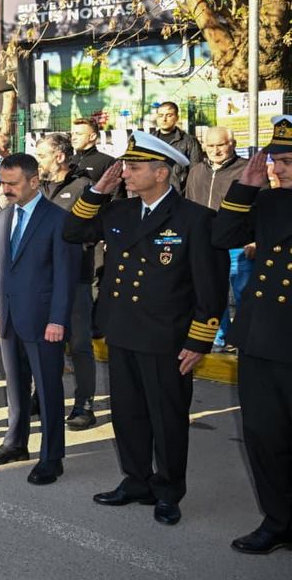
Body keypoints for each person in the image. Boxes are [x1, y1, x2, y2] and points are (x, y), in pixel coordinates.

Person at [64, 131, 226, 526]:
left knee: (167, 419)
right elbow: (73, 232)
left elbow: (210, 286)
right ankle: (136, 480)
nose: (125, 174)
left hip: (166, 338)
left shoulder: (195, 219)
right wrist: (98, 191)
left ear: (162, 172)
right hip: (123, 331)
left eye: (134, 168)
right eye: (125, 167)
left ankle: (168, 490)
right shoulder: (118, 212)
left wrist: (199, 340)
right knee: (128, 413)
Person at [212, 116, 292, 554]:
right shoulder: (266, 202)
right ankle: (277, 521)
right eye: (273, 161)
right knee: (264, 436)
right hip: (261, 339)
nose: (276, 169)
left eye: (285, 161)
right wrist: (246, 183)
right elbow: (223, 235)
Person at [0, 154, 80, 484]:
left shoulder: (57, 219)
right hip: (9, 316)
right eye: (2, 181)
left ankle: (52, 456)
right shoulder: (2, 217)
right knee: (15, 385)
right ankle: (15, 443)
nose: (5, 189)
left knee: (49, 389)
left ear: (34, 182)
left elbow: (66, 277)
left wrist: (58, 320)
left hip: (43, 320)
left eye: (13, 183)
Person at [34, 133, 98, 429]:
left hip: (75, 279)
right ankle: (43, 395)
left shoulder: (84, 186)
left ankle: (84, 403)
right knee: (46, 343)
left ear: (59, 156)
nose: (39, 161)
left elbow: (91, 232)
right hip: (42, 279)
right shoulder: (39, 187)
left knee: (79, 343)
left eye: (43, 155)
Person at [185, 126, 256, 350]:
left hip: (238, 246)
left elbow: (260, 208)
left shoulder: (247, 171)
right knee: (210, 293)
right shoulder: (196, 170)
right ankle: (219, 337)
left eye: (221, 145)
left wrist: (255, 240)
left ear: (232, 144)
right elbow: (188, 203)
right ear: (203, 146)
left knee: (244, 294)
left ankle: (245, 338)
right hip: (204, 244)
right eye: (211, 145)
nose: (216, 150)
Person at [149, 101, 204, 190]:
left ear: (176, 118)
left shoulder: (189, 142)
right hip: (152, 193)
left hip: (178, 195)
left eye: (169, 115)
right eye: (161, 115)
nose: (164, 119)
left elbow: (196, 173)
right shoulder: (149, 141)